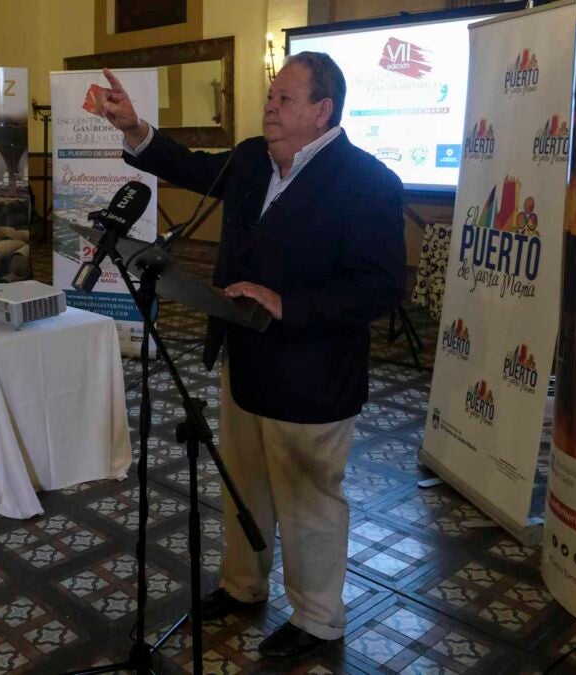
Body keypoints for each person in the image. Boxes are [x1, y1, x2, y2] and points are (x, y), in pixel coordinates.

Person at [99, 54, 405, 659]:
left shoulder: (368, 182)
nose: (270, 106)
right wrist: (134, 128)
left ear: (323, 111)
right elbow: (189, 166)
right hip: (244, 357)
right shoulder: (248, 159)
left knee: (308, 497)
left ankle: (318, 619)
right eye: (271, 96)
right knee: (244, 481)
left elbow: (381, 286)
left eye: (285, 99)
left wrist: (288, 303)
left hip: (314, 372)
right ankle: (244, 587)